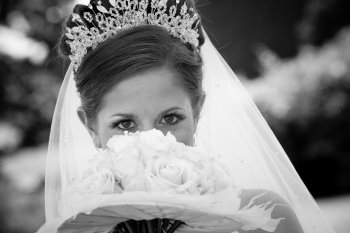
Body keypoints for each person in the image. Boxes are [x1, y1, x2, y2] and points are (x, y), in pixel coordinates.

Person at [38, 0, 335, 232]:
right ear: (90, 126)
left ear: (197, 109)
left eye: (170, 118)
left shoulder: (266, 216)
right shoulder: (72, 229)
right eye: (125, 124)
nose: (151, 142)